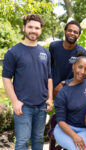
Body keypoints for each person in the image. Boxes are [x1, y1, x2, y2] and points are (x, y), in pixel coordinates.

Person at [2, 14, 53, 150]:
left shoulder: (45, 53)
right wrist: (15, 102)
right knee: (22, 142)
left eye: (37, 28)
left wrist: (50, 98)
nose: (33, 30)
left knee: (38, 140)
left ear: (40, 30)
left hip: (41, 106)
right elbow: (6, 78)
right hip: (23, 106)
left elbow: (49, 77)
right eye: (30, 27)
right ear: (24, 28)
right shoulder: (13, 52)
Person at [49, 20, 86, 98]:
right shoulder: (54, 47)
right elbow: (49, 66)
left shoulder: (82, 52)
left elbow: (81, 75)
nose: (72, 33)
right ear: (65, 31)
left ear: (79, 35)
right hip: (52, 87)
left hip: (71, 88)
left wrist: (63, 84)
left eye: (75, 32)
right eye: (70, 30)